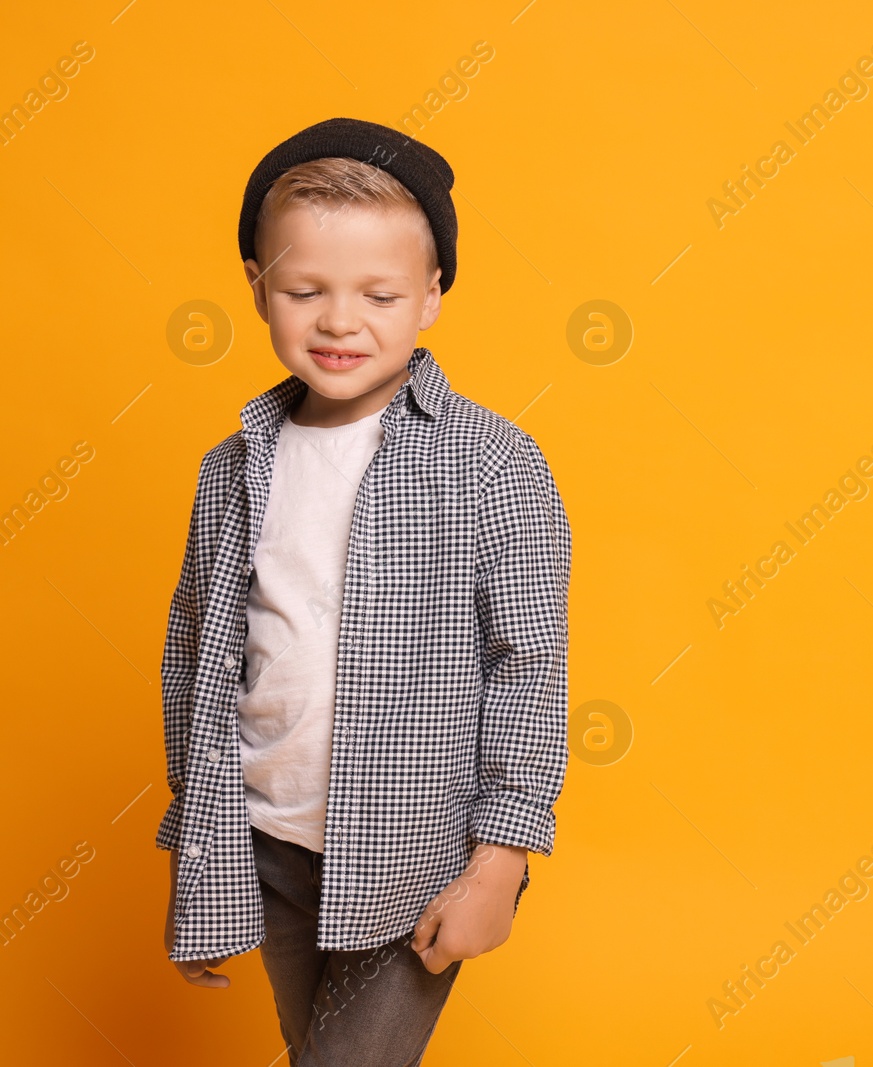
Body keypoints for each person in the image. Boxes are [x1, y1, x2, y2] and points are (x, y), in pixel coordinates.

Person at [156, 116, 572, 1065]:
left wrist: (500, 860)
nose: (341, 321)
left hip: (414, 856)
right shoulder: (232, 469)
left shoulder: (491, 463)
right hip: (264, 841)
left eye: (379, 294)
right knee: (309, 1049)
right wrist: (201, 858)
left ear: (431, 297)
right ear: (259, 289)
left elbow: (530, 667)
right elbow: (198, 661)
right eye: (306, 290)